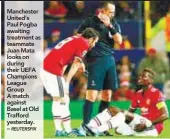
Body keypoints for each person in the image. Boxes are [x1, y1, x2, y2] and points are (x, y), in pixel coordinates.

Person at [40, 28, 99, 136]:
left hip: (45, 69)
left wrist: (64, 77)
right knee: (64, 99)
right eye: (95, 41)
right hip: (52, 70)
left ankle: (58, 130)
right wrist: (67, 81)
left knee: (57, 99)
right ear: (90, 39)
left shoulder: (76, 39)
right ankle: (68, 130)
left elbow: (67, 60)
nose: (94, 44)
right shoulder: (84, 44)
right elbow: (75, 64)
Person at [80, 68, 169, 137]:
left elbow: (165, 115)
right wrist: (116, 116)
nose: (140, 78)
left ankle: (98, 130)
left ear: (150, 80)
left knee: (121, 115)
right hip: (140, 125)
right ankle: (89, 127)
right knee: (113, 110)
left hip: (152, 127)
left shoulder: (156, 93)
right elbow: (129, 113)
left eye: (144, 76)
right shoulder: (138, 94)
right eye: (140, 76)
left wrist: (147, 125)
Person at [77, 2, 122, 135]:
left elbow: (119, 40)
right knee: (92, 94)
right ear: (103, 10)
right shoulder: (90, 21)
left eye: (114, 12)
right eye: (111, 12)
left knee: (107, 95)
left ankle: (100, 127)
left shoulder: (114, 23)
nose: (113, 14)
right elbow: (79, 37)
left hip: (109, 60)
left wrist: (109, 25)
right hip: (95, 60)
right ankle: (85, 126)